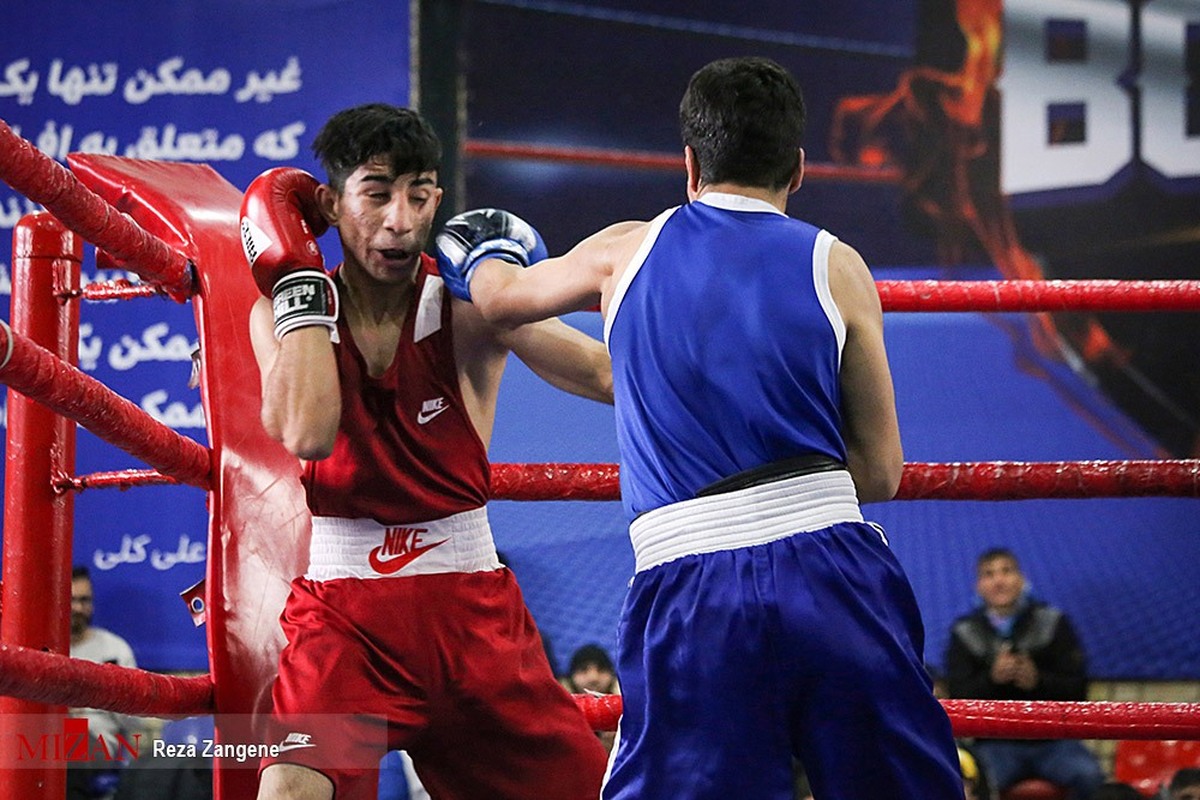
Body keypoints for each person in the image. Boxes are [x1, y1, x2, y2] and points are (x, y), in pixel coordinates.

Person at [436, 56, 964, 799]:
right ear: (800, 168)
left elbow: (500, 300)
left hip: (692, 587)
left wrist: (481, 245)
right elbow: (881, 470)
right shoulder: (838, 266)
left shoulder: (624, 251)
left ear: (689, 164)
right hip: (836, 577)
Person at [242, 102, 611, 800]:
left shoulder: (469, 304)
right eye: (377, 193)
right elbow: (309, 433)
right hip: (345, 621)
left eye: (418, 194)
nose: (399, 219)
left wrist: (736, 370)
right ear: (331, 202)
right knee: (289, 790)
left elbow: (600, 372)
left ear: (438, 197)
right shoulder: (285, 309)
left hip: (471, 613)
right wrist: (299, 288)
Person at [944, 548, 1105, 800]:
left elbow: (1078, 690)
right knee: (971, 784)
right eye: (989, 574)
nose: (999, 580)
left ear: (1021, 578)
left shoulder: (1053, 623)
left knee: (1089, 776)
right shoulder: (964, 632)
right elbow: (958, 697)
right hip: (995, 743)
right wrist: (992, 679)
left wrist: (1038, 681)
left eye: (1006, 571)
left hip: (1053, 742)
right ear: (979, 586)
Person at [68, 566, 143, 800]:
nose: (78, 608)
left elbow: (134, 720)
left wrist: (101, 696)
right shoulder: (39, 647)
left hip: (99, 743)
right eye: (71, 600)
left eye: (84, 600)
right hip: (38, 738)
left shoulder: (114, 649)